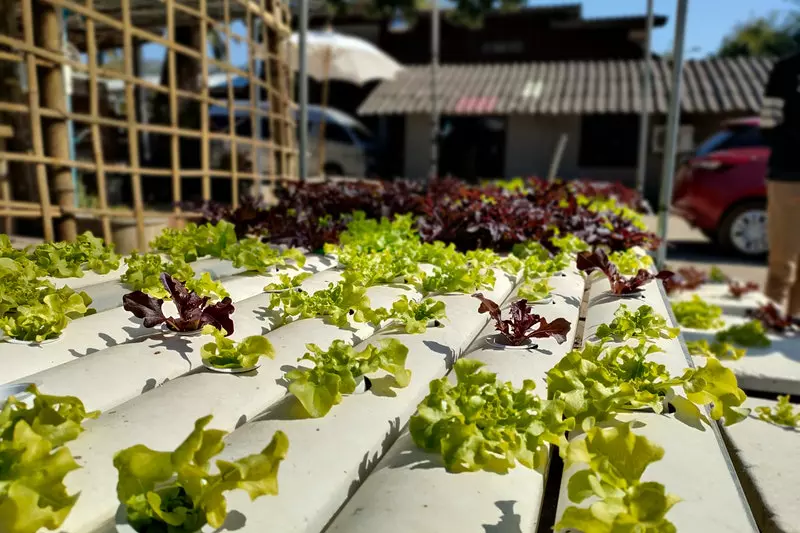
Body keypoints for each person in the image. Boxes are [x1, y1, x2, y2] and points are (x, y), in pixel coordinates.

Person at [760, 48, 800, 318]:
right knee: (781, 263)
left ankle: (794, 326)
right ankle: (771, 322)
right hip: (789, 176)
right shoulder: (787, 69)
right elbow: (768, 125)